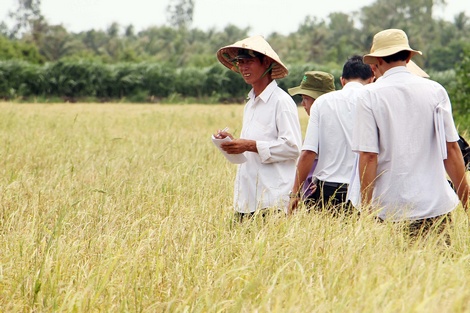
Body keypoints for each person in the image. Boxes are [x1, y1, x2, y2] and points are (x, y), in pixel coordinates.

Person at [353, 28, 469, 236]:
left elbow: (369, 156)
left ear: (376, 61)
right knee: (439, 267)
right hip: (435, 207)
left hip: (389, 210)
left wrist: (366, 210)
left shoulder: (368, 96)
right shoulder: (435, 90)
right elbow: (451, 150)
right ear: (408, 57)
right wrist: (467, 202)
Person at [215, 35, 302, 221]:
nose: (244, 67)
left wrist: (249, 145)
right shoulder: (251, 103)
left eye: (249, 61)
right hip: (247, 200)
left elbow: (293, 147)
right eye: (240, 62)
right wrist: (232, 143)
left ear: (266, 63)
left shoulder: (282, 102)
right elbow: (252, 145)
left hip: (272, 201)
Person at [289, 55, 374, 214]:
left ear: (342, 81)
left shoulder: (322, 102)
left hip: (326, 191)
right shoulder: (375, 101)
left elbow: (308, 152)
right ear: (371, 79)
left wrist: (295, 193)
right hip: (361, 190)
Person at [288, 71, 336, 199]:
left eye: (306, 99)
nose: (303, 104)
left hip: (321, 192)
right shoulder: (320, 121)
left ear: (319, 100)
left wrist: (295, 194)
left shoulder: (329, 125)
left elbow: (308, 154)